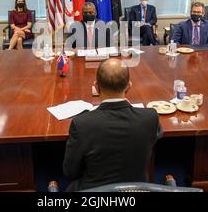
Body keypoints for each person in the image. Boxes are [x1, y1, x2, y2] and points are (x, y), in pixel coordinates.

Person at [63, 59, 162, 191]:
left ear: (96, 87)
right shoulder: (150, 117)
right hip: (136, 189)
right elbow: (157, 134)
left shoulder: (81, 124)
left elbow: (70, 172)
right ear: (129, 86)